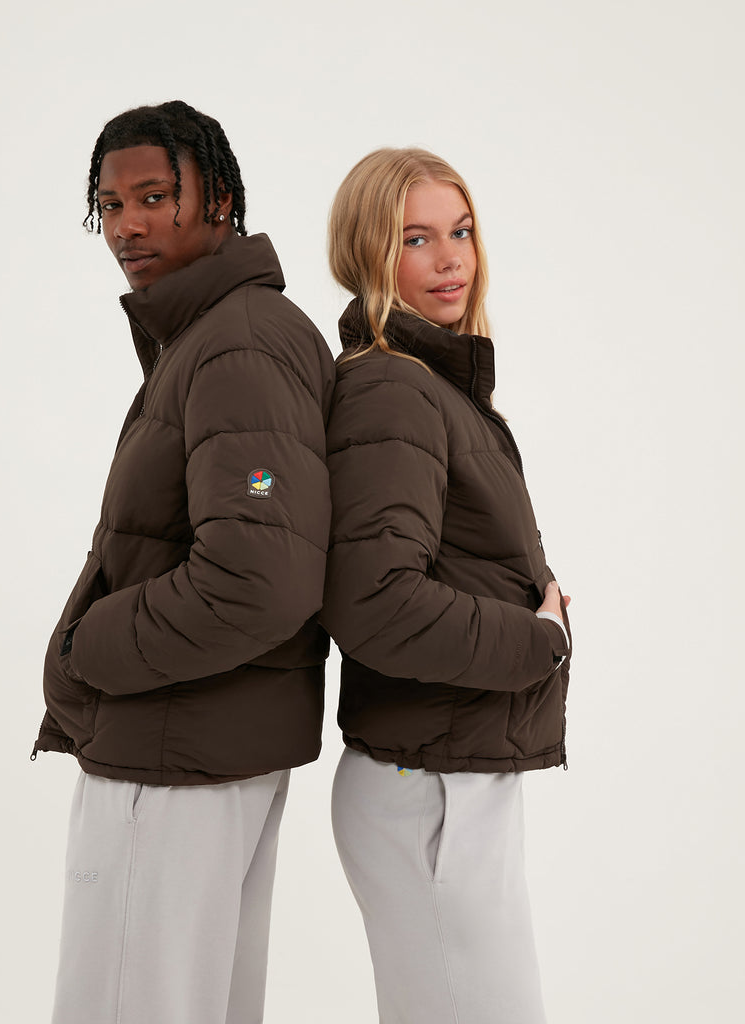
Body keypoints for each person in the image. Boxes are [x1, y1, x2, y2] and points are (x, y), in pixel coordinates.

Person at [31, 100, 335, 1024]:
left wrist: (88, 647)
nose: (128, 225)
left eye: (155, 196)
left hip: (171, 761)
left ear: (221, 199)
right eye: (111, 205)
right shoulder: (220, 334)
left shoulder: (238, 344)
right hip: (204, 752)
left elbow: (259, 575)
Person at [320, 148, 572, 1024]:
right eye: (415, 239)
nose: (450, 259)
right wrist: (540, 641)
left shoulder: (436, 385)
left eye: (459, 231)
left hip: (445, 768)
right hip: (428, 786)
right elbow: (377, 601)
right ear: (367, 254)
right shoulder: (394, 388)